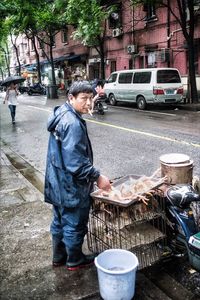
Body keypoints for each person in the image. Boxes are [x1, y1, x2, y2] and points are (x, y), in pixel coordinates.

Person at [44, 81, 111, 271]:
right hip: (70, 186)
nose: (89, 103)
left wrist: (93, 97)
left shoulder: (62, 113)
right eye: (84, 98)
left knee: (58, 220)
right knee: (74, 224)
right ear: (71, 98)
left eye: (91, 98)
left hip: (56, 182)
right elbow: (76, 163)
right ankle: (74, 259)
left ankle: (59, 257)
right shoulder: (72, 123)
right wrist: (97, 177)